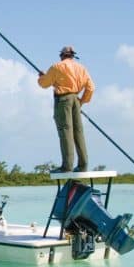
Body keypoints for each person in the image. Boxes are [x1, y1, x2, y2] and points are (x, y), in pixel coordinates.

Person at [37, 45, 95, 173]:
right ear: (73, 56)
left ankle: (67, 166)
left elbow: (44, 84)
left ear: (62, 55)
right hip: (76, 99)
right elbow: (91, 88)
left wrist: (42, 77)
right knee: (78, 132)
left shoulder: (57, 66)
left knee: (65, 132)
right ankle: (83, 165)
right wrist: (81, 102)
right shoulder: (81, 68)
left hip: (63, 100)